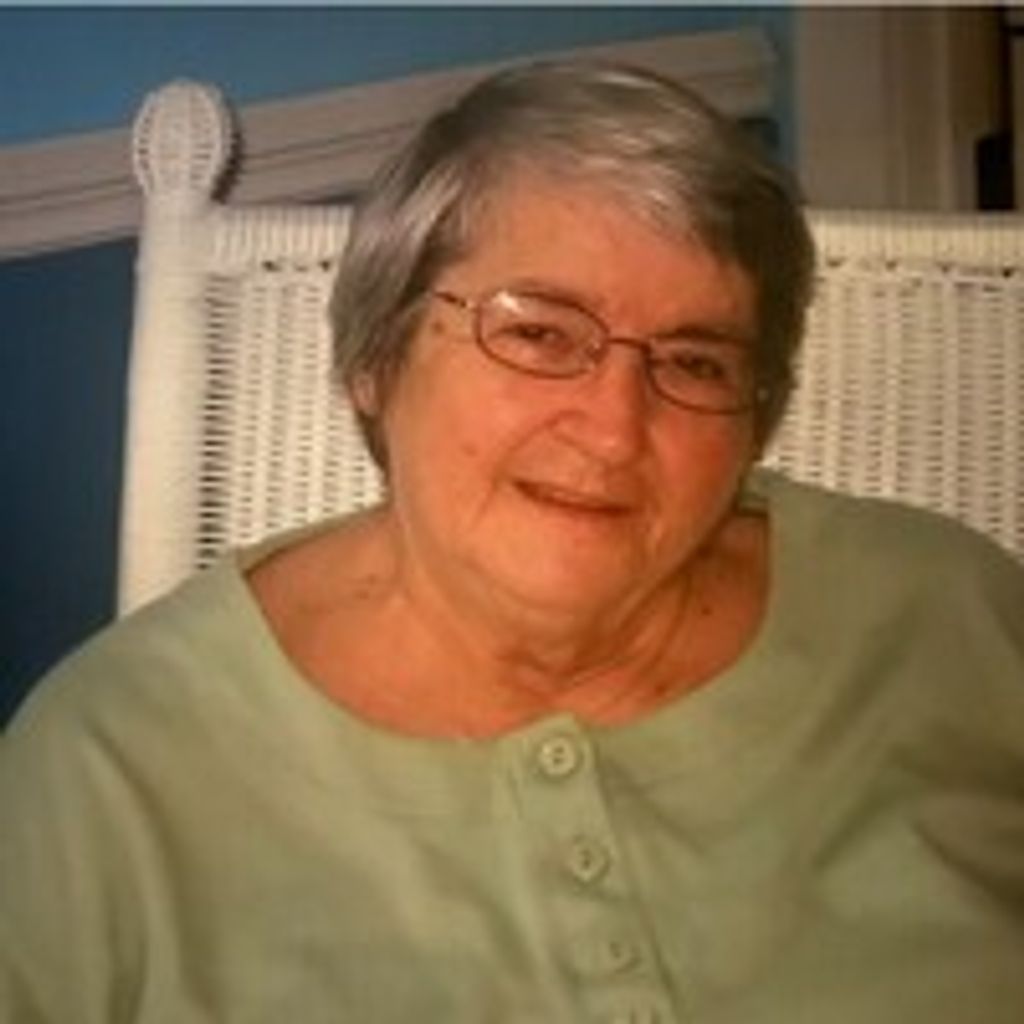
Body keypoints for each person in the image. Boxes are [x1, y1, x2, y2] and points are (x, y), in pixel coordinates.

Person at [3, 60, 1024, 1024]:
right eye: (538, 332)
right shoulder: (109, 772)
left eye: (695, 362)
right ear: (376, 357)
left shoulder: (948, 618)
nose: (614, 430)